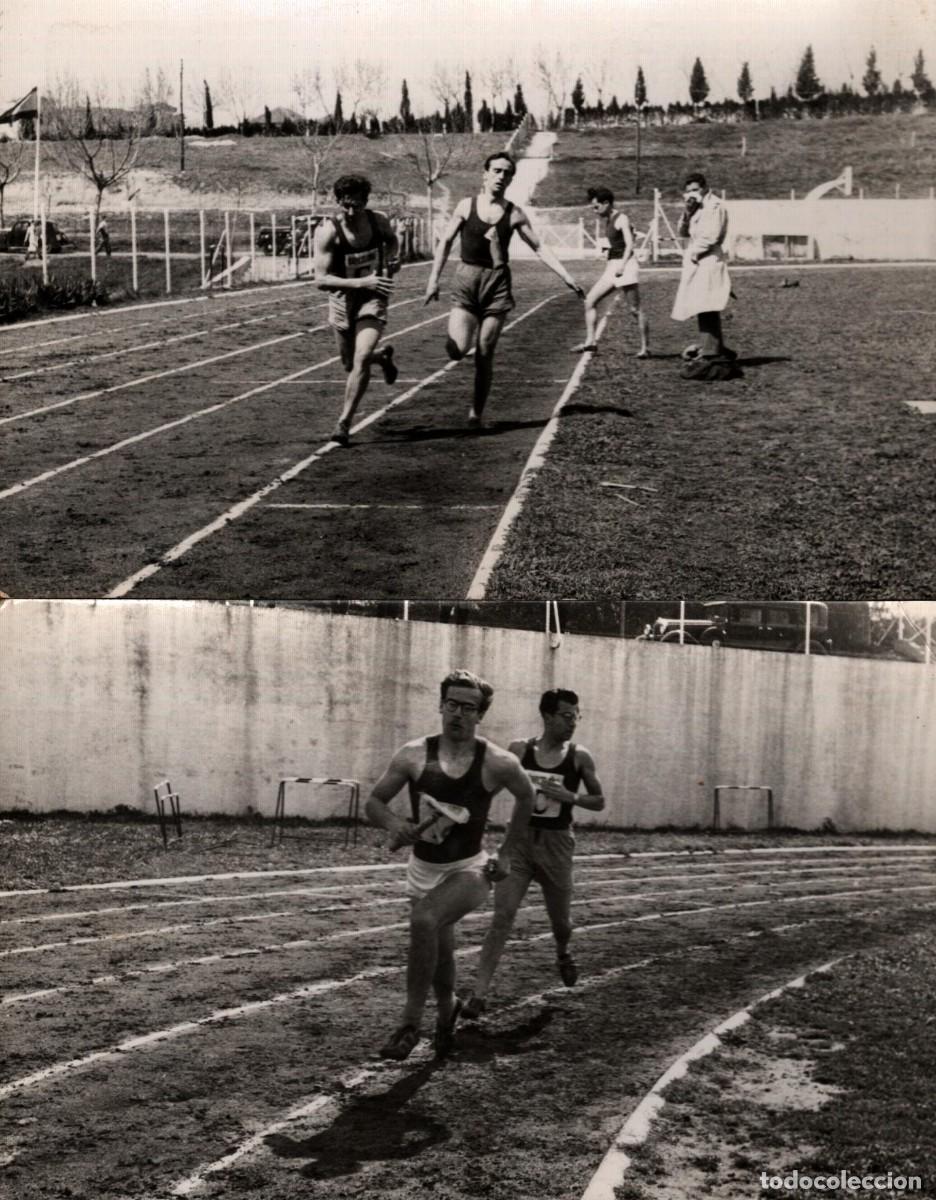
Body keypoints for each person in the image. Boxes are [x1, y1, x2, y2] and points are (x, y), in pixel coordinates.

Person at [365, 668, 536, 1061]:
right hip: (422, 870)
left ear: (480, 715)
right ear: (441, 706)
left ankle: (409, 1024)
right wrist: (396, 824)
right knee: (440, 951)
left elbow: (526, 798)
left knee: (424, 920)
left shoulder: (498, 761)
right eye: (452, 704)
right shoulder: (411, 754)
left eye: (469, 708)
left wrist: (507, 852)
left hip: (470, 869)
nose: (458, 713)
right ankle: (447, 1011)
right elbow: (374, 803)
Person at [460, 687, 605, 1017]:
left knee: (561, 924)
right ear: (548, 716)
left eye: (576, 716)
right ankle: (479, 995)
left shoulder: (580, 757)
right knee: (502, 917)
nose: (573, 723)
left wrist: (571, 797)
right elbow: (491, 788)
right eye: (567, 716)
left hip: (557, 846)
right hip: (520, 843)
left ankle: (563, 952)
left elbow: (599, 801)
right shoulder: (519, 751)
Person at [424, 151, 585, 428]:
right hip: (466, 280)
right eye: (496, 171)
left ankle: (476, 414)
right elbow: (446, 242)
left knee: (485, 351)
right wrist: (433, 279)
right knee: (458, 350)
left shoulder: (514, 214)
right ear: (485, 174)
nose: (501, 176)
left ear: (511, 178)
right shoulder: (466, 206)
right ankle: (455, 342)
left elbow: (540, 247)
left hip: (497, 285)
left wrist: (566, 277)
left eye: (506, 173)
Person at [313, 174, 401, 447]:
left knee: (361, 358)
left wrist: (391, 259)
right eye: (346, 206)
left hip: (373, 296)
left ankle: (344, 423)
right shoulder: (328, 232)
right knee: (350, 363)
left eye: (357, 206)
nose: (351, 212)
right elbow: (320, 279)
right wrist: (360, 281)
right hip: (343, 298)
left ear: (366, 202)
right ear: (338, 202)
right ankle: (382, 358)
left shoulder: (378, 221)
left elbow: (392, 240)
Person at [572, 187, 649, 357]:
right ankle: (590, 343)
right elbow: (619, 243)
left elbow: (629, 244)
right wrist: (609, 252)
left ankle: (646, 348)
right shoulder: (608, 219)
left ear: (606, 203)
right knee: (590, 301)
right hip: (613, 266)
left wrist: (622, 265)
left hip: (626, 265)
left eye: (596, 206)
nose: (594, 211)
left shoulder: (622, 218)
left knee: (635, 309)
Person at [671, 172, 735, 362]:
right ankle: (714, 347)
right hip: (698, 260)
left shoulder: (715, 205)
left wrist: (693, 253)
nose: (692, 193)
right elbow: (682, 233)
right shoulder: (696, 207)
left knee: (708, 305)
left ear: (705, 188)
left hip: (708, 258)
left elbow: (712, 236)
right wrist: (688, 212)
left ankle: (711, 351)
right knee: (702, 305)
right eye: (688, 191)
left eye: (696, 189)